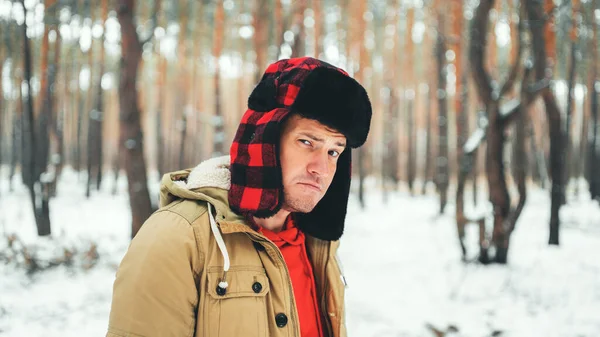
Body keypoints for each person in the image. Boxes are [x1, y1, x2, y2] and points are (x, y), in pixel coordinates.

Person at [106, 57, 372, 337]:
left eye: (334, 152)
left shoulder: (318, 246)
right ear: (265, 140)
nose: (322, 169)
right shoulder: (178, 238)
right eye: (307, 142)